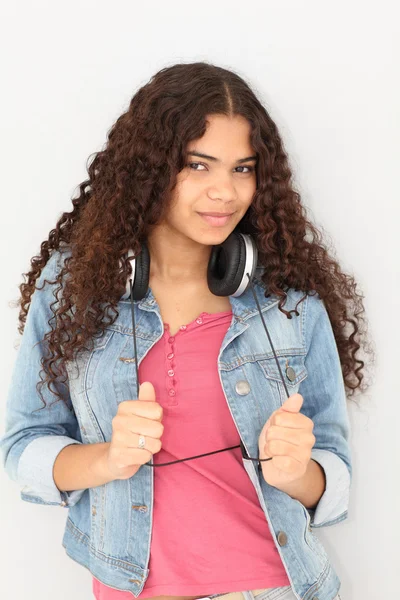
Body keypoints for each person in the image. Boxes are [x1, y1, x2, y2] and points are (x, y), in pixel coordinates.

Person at [0, 61, 373, 600]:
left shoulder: (287, 298)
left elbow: (330, 472)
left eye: (243, 169)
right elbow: (23, 446)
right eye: (200, 166)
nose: (225, 191)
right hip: (128, 584)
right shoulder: (75, 285)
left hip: (272, 586)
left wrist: (296, 472)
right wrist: (107, 458)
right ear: (150, 168)